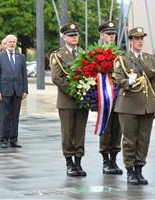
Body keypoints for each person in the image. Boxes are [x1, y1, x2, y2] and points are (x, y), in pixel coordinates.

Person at [114, 27, 155, 185]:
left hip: (147, 106)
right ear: (130, 41)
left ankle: (139, 169)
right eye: (136, 38)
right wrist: (126, 82)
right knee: (130, 140)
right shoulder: (122, 59)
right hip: (128, 105)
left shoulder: (149, 58)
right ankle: (130, 170)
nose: (140, 41)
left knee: (144, 140)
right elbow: (119, 79)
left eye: (141, 38)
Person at [50, 22, 89, 177]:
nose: (74, 38)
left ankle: (78, 162)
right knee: (68, 132)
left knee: (80, 132)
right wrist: (75, 91)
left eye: (76, 35)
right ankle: (69, 163)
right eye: (71, 35)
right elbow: (56, 78)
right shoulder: (58, 55)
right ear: (64, 37)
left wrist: (86, 91)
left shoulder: (83, 54)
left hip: (83, 100)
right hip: (67, 100)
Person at [0, 34, 28, 148]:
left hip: (17, 91)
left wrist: (25, 90)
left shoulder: (21, 57)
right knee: (4, 116)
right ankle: (4, 139)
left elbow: (24, 75)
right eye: (10, 42)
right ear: (6, 43)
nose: (12, 43)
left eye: (14, 42)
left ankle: (14, 139)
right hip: (4, 91)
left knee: (15, 116)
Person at [97, 21, 123, 175]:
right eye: (108, 33)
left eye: (113, 34)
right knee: (106, 129)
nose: (111, 36)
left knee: (117, 129)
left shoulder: (120, 54)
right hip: (104, 97)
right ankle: (106, 160)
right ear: (102, 35)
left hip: (119, 97)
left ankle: (114, 159)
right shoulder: (96, 53)